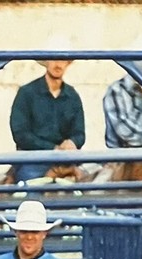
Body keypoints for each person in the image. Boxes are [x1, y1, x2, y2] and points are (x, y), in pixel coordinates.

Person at [9, 53, 85, 183]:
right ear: (46, 61)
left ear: (68, 63)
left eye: (63, 60)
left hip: (65, 161)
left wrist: (72, 143)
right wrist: (53, 148)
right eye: (54, 59)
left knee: (89, 187)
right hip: (32, 160)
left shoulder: (72, 96)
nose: (58, 64)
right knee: (32, 189)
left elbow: (79, 133)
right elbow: (20, 134)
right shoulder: (27, 93)